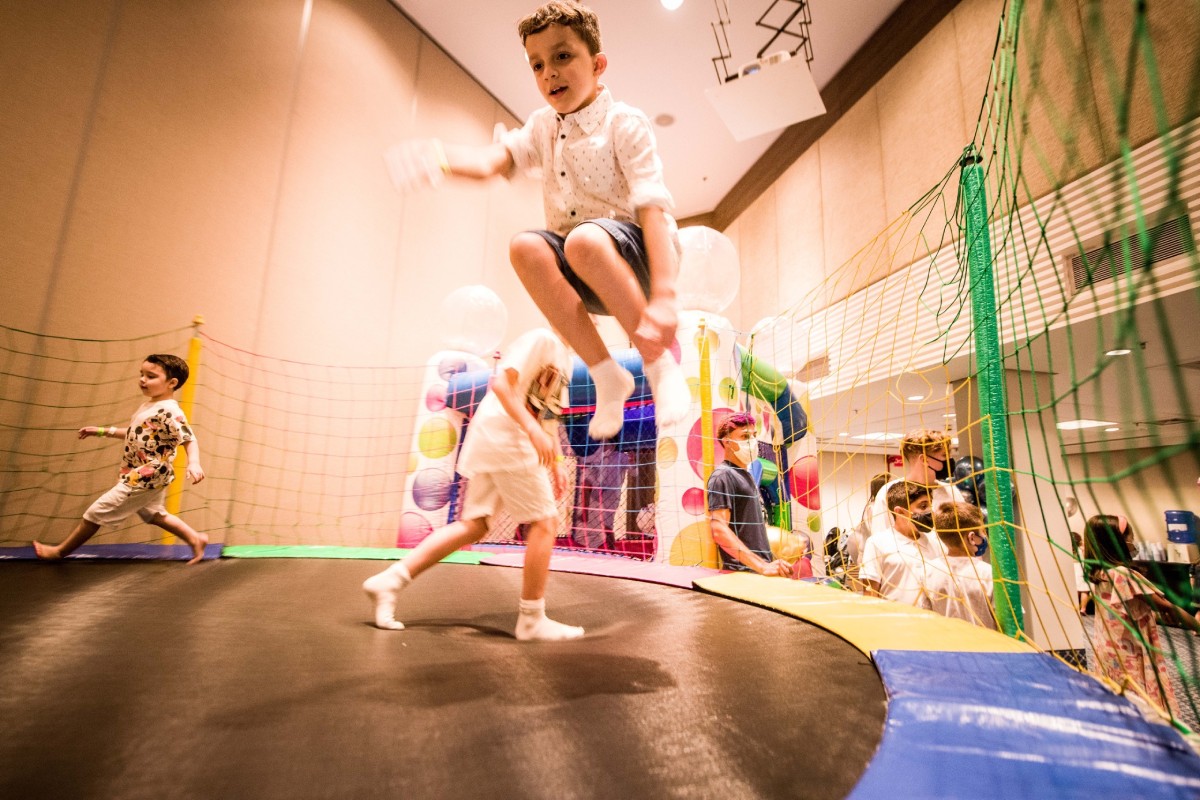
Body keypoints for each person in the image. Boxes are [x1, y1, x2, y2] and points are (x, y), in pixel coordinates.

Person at [383, 1, 689, 441]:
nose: (549, 73)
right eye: (538, 64)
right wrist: (440, 158)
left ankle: (660, 365)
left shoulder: (625, 123)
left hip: (639, 258)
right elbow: (495, 160)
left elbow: (652, 206)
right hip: (588, 264)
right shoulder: (542, 127)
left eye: (563, 57)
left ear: (598, 64)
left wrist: (664, 295)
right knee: (525, 246)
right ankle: (607, 375)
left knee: (582, 240)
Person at [363, 328, 584, 641]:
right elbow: (502, 385)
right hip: (507, 435)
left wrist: (558, 462)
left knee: (475, 525)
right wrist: (532, 432)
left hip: (496, 437)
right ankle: (532, 619)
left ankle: (390, 580)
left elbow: (547, 414)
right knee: (546, 522)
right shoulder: (542, 340)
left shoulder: (566, 359)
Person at [33, 355, 208, 564]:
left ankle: (59, 552)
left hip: (147, 474)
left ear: (172, 383)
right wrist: (101, 431)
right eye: (141, 374)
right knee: (154, 514)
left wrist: (194, 462)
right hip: (144, 472)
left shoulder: (170, 411)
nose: (143, 380)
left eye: (151, 376)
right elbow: (136, 432)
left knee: (95, 513)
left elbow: (188, 437)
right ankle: (195, 538)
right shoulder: (150, 406)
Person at [1083, 513, 1200, 718]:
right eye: (1130, 537)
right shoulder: (1123, 574)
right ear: (1117, 542)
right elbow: (1168, 607)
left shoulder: (1100, 572)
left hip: (1109, 649)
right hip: (1130, 652)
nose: (1133, 542)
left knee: (1119, 698)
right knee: (1139, 701)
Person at [706, 412, 793, 577]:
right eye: (744, 436)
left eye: (753, 435)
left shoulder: (746, 475)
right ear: (727, 442)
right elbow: (718, 530)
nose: (752, 441)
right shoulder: (723, 475)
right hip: (743, 573)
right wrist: (761, 566)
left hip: (757, 571)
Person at [867, 430, 968, 538]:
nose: (949, 460)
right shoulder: (889, 492)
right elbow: (881, 540)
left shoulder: (951, 491)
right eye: (944, 455)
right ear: (924, 459)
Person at [859, 480, 941, 605]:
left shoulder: (934, 542)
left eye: (930, 505)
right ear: (900, 512)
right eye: (923, 506)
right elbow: (870, 594)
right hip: (894, 621)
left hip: (931, 621)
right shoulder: (877, 543)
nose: (930, 511)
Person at [918, 502, 997, 629]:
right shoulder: (988, 573)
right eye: (982, 532)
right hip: (986, 647)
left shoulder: (927, 571)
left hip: (945, 646)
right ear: (971, 537)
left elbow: (925, 616)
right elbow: (1007, 620)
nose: (984, 536)